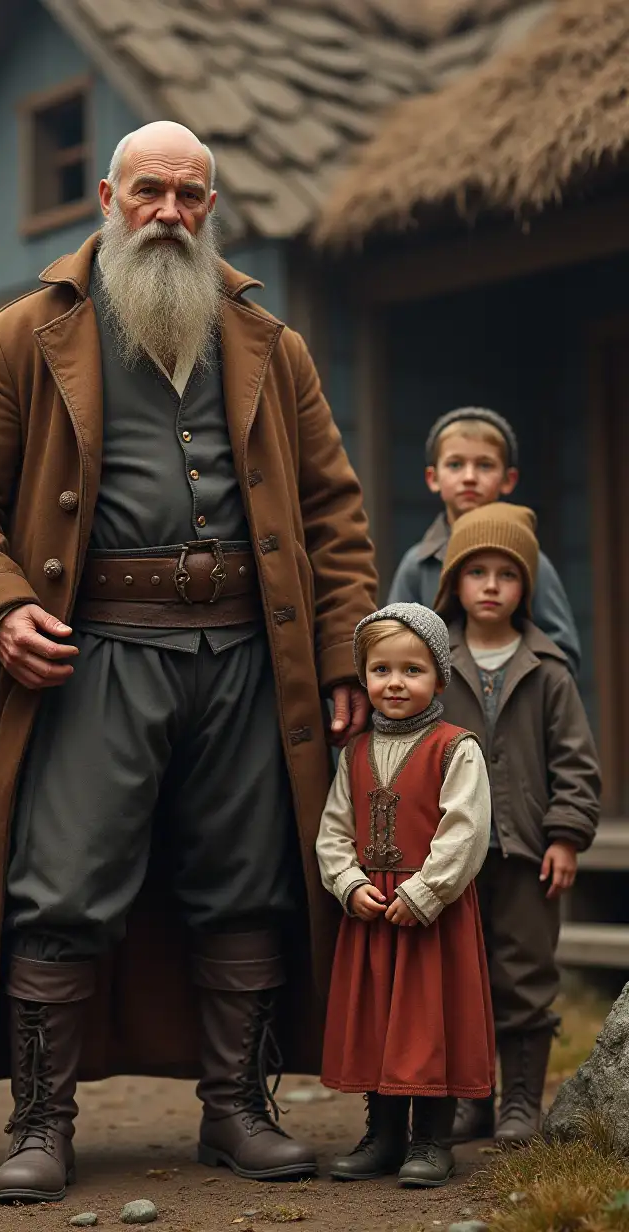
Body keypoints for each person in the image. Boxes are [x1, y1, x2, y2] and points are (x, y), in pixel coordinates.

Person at [0, 120, 378, 1204]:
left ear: (213, 209)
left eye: (191, 196)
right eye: (150, 191)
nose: (170, 213)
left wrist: (344, 647)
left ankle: (237, 1109)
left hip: (251, 658)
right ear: (109, 198)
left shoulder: (271, 345)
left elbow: (332, 512)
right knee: (60, 886)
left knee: (248, 880)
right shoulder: (24, 335)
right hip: (91, 653)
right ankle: (40, 1121)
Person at [433, 504, 600, 1145]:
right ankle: (474, 1098)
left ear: (526, 586)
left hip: (529, 850)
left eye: (507, 572)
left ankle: (521, 1104)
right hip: (452, 855)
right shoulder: (434, 662)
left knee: (524, 973)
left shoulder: (548, 669)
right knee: (458, 979)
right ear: (456, 582)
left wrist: (566, 835)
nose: (492, 584)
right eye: (477, 571)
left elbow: (576, 762)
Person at [317, 603, 493, 1188]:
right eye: (382, 670)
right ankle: (384, 1135)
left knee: (429, 1019)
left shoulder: (455, 747)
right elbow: (335, 829)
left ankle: (432, 1139)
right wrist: (347, 882)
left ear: (439, 677)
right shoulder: (355, 753)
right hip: (373, 909)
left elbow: (465, 828)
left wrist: (426, 891)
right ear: (364, 676)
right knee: (377, 1019)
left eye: (412, 670)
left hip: (429, 912)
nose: (395, 683)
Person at [387, 408, 580, 676]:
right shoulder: (418, 563)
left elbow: (561, 651)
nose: (469, 477)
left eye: (484, 465)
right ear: (433, 478)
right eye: (455, 464)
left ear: (508, 480)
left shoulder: (530, 561)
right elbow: (391, 648)